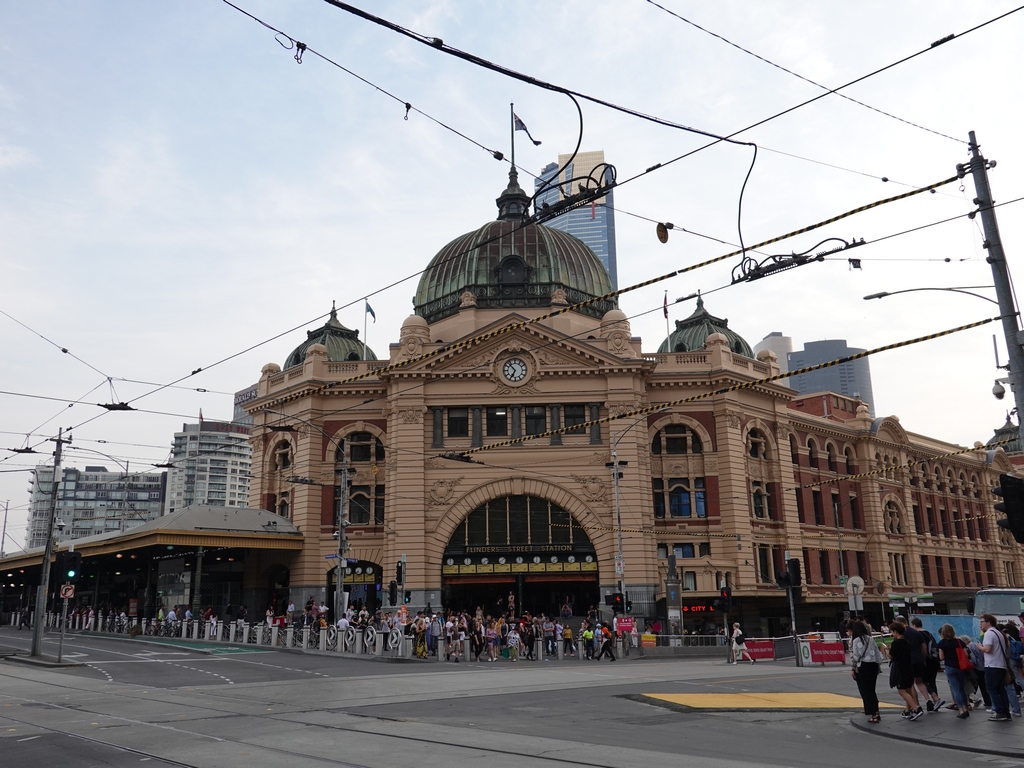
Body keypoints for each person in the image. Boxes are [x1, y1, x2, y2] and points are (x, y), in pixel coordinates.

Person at [848, 620, 886, 723]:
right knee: (872, 689)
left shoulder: (856, 640)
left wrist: (853, 667)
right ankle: (877, 712)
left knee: (867, 690)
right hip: (873, 665)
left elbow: (856, 656)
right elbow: (878, 654)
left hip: (864, 666)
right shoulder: (870, 638)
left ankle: (873, 714)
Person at [884, 621, 922, 720]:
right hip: (909, 667)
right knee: (908, 691)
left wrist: (885, 650)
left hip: (900, 670)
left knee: (902, 691)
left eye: (892, 632)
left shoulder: (896, 642)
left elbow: (891, 656)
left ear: (895, 632)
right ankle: (907, 711)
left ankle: (916, 709)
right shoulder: (906, 642)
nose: (892, 634)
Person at [979, 613, 1012, 721]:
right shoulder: (998, 633)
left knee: (992, 689)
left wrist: (980, 647)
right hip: (1000, 664)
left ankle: (999, 711)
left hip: (992, 665)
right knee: (1001, 690)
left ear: (988, 622)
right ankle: (1006, 712)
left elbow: (988, 649)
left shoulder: (989, 633)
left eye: (982, 622)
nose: (980, 624)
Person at [909, 618, 944, 712]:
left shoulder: (918, 634)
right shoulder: (928, 633)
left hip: (926, 660)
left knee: (922, 681)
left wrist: (923, 659)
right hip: (934, 660)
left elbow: (922, 648)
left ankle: (935, 698)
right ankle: (935, 703)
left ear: (914, 625)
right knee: (932, 681)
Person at [936, 623, 970, 718]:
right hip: (961, 667)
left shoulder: (942, 643)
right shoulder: (959, 641)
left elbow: (941, 657)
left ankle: (961, 710)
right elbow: (966, 655)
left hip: (950, 667)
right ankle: (966, 708)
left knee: (956, 689)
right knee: (962, 688)